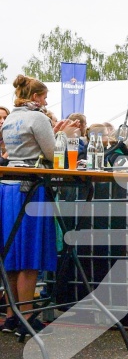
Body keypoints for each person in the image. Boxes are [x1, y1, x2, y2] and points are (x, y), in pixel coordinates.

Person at [0, 74, 77, 336]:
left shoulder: (10, 117)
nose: (45, 101)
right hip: (31, 190)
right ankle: (28, 317)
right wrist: (64, 136)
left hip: (9, 188)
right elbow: (52, 156)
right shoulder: (38, 117)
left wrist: (52, 133)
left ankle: (12, 315)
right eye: (44, 97)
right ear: (35, 97)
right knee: (30, 257)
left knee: (11, 256)